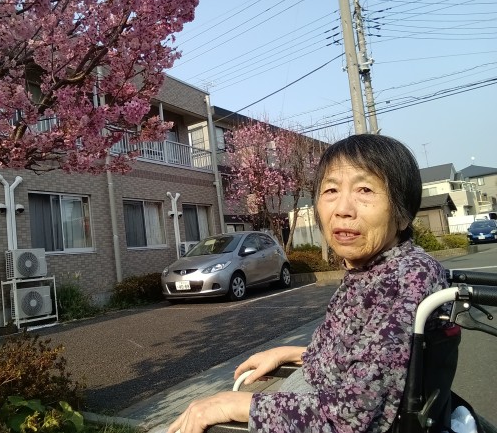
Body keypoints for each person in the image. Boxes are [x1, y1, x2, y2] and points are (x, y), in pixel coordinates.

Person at [167, 134, 450, 433]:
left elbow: (352, 416)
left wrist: (237, 405)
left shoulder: (407, 277)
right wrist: (289, 352)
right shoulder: (369, 271)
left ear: (403, 214)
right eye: (331, 190)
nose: (342, 209)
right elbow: (358, 356)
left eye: (365, 189)